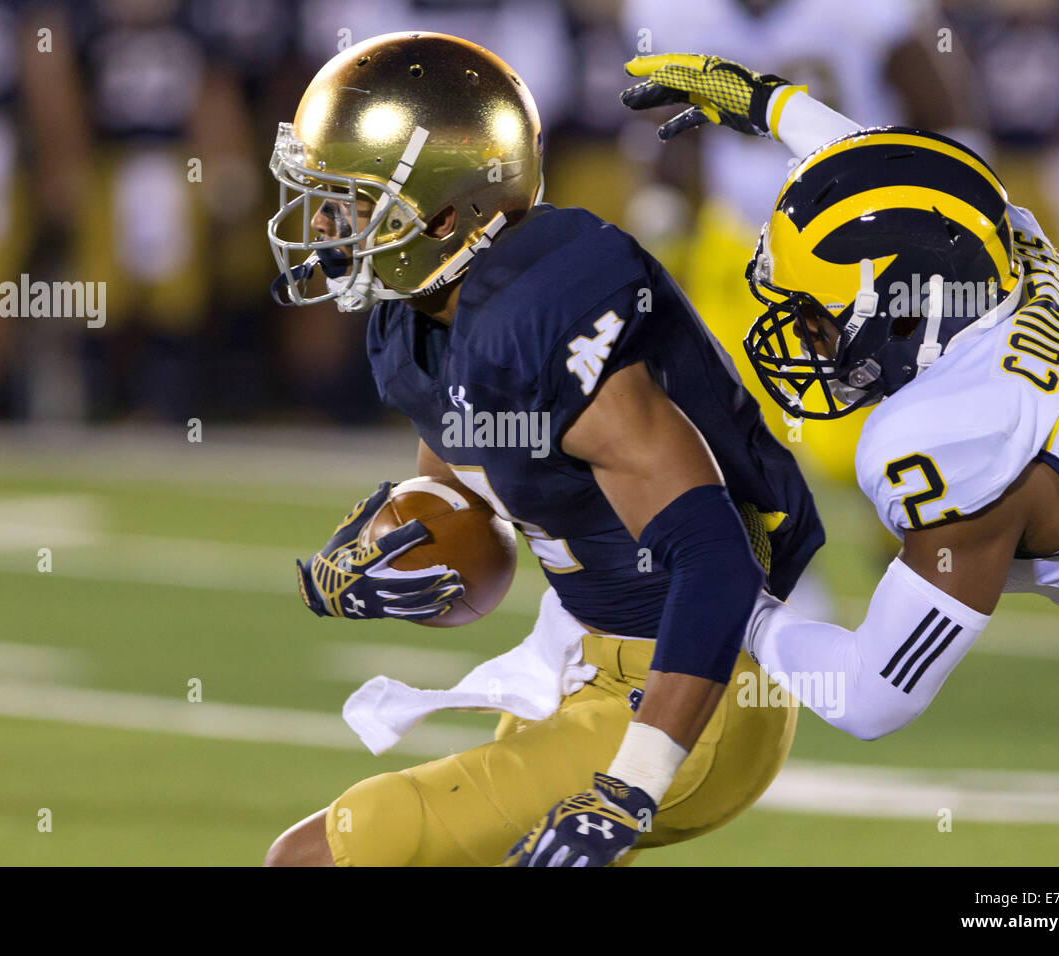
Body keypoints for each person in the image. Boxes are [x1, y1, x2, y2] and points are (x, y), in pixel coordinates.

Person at [262, 32, 823, 867]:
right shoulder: (416, 320)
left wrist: (629, 788)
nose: (325, 226)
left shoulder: (542, 314)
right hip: (582, 655)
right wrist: (405, 558)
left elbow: (718, 561)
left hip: (691, 687)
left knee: (318, 857)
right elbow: (478, 535)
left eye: (351, 201)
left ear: (447, 214)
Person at [621, 52, 1059, 742]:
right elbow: (910, 186)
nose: (803, 333)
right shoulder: (1010, 252)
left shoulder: (966, 436)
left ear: (902, 314)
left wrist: (733, 605)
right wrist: (769, 105)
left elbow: (870, 697)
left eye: (816, 313)